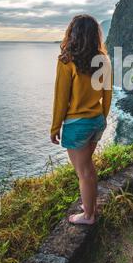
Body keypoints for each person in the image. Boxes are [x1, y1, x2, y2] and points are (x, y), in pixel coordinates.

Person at [50, 14, 112, 225]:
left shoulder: (67, 61)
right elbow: (108, 93)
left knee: (83, 172)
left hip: (77, 125)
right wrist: (102, 118)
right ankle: (90, 208)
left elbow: (61, 97)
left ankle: (88, 216)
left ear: (73, 33)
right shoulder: (103, 60)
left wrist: (55, 126)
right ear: (96, 35)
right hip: (97, 121)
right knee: (88, 168)